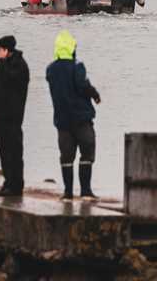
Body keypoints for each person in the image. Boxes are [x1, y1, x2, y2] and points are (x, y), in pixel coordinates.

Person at [45, 30, 102, 200]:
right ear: (72, 48)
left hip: (62, 121)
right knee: (87, 152)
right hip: (81, 118)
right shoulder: (77, 66)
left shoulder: (51, 70)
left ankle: (68, 192)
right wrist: (95, 94)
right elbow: (82, 86)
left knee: (66, 157)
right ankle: (85, 191)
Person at [0, 35, 29, 197]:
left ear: (6, 50)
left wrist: (2, 62)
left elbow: (10, 81)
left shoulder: (19, 66)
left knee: (14, 152)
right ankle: (7, 182)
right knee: (4, 151)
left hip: (12, 116)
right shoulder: (3, 65)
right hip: (0, 115)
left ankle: (16, 185)